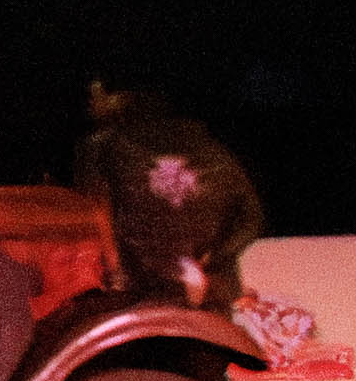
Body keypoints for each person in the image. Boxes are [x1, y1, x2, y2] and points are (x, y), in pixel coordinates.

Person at [73, 76, 268, 314]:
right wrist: (212, 258)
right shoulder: (216, 150)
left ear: (127, 97)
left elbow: (96, 213)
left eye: (101, 90)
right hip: (210, 293)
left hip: (142, 295)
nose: (92, 100)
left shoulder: (103, 148)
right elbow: (251, 217)